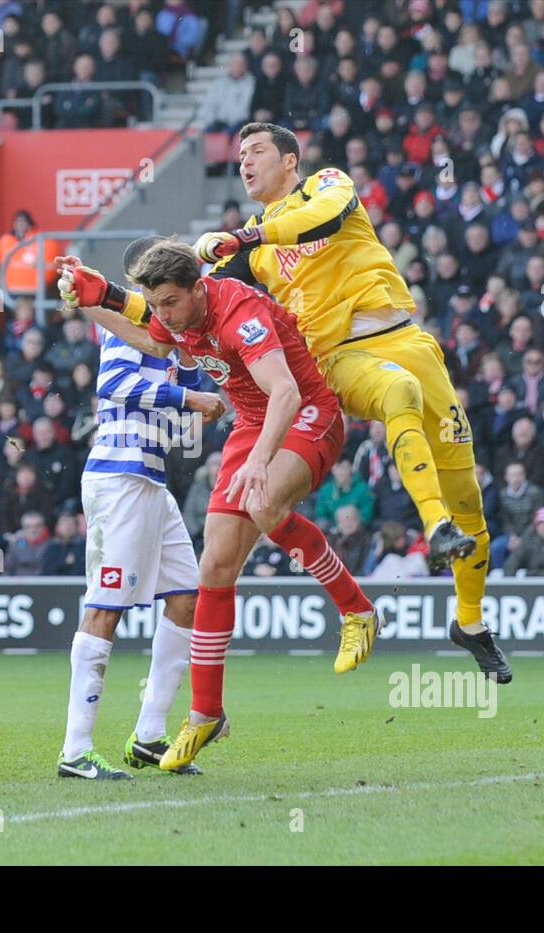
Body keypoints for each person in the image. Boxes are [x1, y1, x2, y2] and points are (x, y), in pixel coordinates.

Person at [95, 123, 510, 682]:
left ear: (291, 160)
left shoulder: (325, 188)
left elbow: (323, 220)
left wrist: (247, 240)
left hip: (407, 340)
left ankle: (471, 621)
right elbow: (177, 301)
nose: (244, 163)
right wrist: (106, 296)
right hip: (338, 358)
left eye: (256, 152)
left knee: (469, 496)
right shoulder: (246, 241)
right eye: (239, 156)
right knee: (398, 395)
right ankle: (433, 530)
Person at [59, 239, 381, 772]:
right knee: (213, 568)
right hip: (250, 427)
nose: (163, 314)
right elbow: (150, 340)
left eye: (169, 302)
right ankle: (204, 713)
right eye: (156, 303)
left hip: (303, 414)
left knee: (264, 501)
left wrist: (259, 459)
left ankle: (356, 608)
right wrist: (95, 301)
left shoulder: (239, 311)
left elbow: (286, 393)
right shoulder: (178, 317)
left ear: (195, 288)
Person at [56, 290, 220, 780]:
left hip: (151, 478)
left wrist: (190, 357)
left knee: (188, 598)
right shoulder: (126, 326)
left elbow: (185, 386)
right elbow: (115, 383)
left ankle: (149, 735)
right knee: (105, 607)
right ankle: (76, 749)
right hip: (120, 476)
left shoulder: (165, 332)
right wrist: (190, 396)